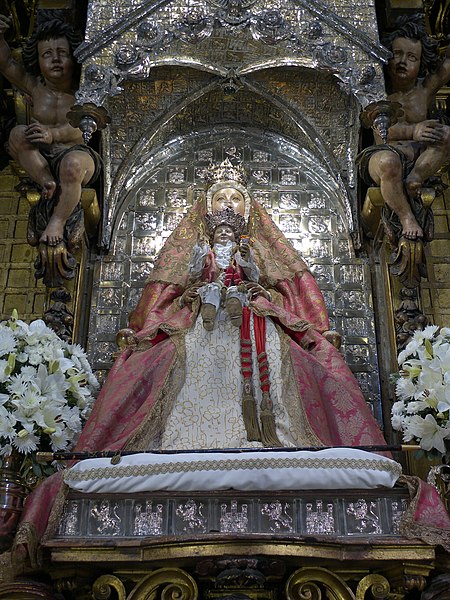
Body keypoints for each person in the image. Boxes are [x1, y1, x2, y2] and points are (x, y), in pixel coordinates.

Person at [8, 161, 450, 566]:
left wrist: (254, 284)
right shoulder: (195, 248)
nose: (228, 204)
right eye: (221, 197)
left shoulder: (255, 248)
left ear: (249, 209)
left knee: (282, 354)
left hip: (251, 317)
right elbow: (170, 288)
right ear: (206, 208)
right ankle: (180, 445)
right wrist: (193, 292)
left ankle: (271, 437)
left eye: (237, 197)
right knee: (176, 355)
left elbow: (281, 284)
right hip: (202, 314)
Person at [0, 11, 101, 246]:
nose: (55, 60)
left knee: (72, 165)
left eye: (62, 53)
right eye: (47, 54)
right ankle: (47, 181)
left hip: (78, 154)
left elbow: (87, 123)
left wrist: (53, 134)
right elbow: (5, 63)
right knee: (17, 134)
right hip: (43, 156)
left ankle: (58, 220)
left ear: (73, 57)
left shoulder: (85, 90)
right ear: (37, 59)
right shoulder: (35, 87)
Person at [358, 14, 450, 241]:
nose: (402, 62)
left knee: (447, 134)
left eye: (411, 57)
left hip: (417, 158)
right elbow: (376, 127)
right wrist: (413, 130)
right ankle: (406, 217)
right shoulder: (374, 88)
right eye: (397, 54)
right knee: (390, 163)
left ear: (420, 64)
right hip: (380, 156)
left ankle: (415, 179)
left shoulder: (425, 89)